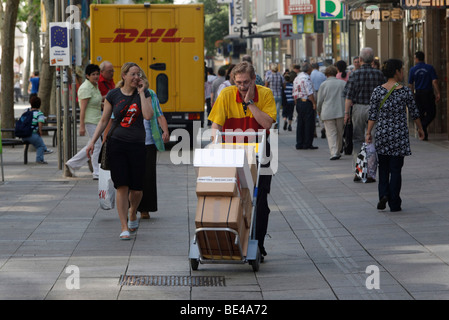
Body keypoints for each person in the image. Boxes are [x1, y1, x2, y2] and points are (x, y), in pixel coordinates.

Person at [208, 61, 276, 261]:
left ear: (254, 79)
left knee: (260, 200)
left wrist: (250, 103)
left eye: (246, 82)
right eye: (238, 83)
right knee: (233, 196)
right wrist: (216, 146)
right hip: (233, 152)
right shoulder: (227, 94)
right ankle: (231, 241)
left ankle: (258, 245)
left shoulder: (264, 94)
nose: (242, 86)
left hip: (261, 152)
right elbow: (215, 125)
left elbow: (267, 123)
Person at [86, 62, 153, 240]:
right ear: (124, 76)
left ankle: (133, 212)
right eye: (132, 74)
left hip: (138, 145)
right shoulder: (113, 95)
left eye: (138, 74)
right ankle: (124, 226)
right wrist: (92, 142)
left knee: (137, 189)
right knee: (122, 186)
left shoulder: (144, 94)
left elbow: (148, 115)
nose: (136, 77)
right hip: (117, 144)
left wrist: (141, 92)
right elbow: (103, 121)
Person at [366, 59, 424, 212]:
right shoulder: (404, 91)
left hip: (383, 135)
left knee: (383, 168)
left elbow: (372, 115)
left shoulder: (378, 91)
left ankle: (383, 195)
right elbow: (414, 112)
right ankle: (394, 203)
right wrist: (420, 129)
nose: (403, 72)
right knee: (396, 169)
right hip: (399, 136)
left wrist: (368, 133)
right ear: (396, 72)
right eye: (401, 70)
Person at [343, 47, 385, 182]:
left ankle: (359, 171)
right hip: (374, 108)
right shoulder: (379, 74)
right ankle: (372, 173)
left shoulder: (354, 75)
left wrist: (346, 113)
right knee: (372, 140)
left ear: (360, 60)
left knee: (358, 140)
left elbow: (349, 96)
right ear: (373, 60)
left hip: (359, 109)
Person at [137, 73, 170, 220]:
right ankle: (130, 207)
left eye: (140, 77)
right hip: (130, 141)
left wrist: (165, 130)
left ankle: (145, 208)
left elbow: (159, 114)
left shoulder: (151, 94)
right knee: (131, 176)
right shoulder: (124, 94)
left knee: (148, 176)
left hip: (149, 141)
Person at [65, 64, 103, 180]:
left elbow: (96, 103)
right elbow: (83, 108)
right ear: (87, 75)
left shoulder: (94, 86)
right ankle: (96, 172)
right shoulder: (86, 88)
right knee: (97, 145)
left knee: (90, 145)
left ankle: (72, 164)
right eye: (93, 74)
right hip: (90, 121)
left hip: (97, 120)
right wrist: (81, 126)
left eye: (97, 74)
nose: (96, 76)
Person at [408, 51, 440, 141]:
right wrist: (438, 92)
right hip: (428, 93)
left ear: (417, 59)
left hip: (418, 94)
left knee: (421, 114)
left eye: (414, 58)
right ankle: (423, 133)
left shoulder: (413, 69)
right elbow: (434, 81)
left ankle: (422, 130)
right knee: (432, 113)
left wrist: (411, 95)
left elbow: (410, 84)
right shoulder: (429, 68)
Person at [316, 66, 346, 160]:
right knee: (340, 132)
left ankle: (334, 152)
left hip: (327, 111)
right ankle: (339, 149)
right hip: (340, 111)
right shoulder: (343, 83)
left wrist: (318, 110)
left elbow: (320, 100)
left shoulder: (323, 84)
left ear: (326, 74)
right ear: (335, 73)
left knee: (331, 133)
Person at [293, 62, 318, 150]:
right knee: (309, 123)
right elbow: (309, 92)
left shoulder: (297, 78)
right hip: (307, 102)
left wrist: (296, 102)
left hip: (299, 102)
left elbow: (294, 91)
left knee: (300, 123)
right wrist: (314, 103)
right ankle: (307, 143)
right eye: (311, 68)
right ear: (308, 69)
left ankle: (299, 143)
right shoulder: (306, 78)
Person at [21, 96, 53, 164]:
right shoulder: (39, 113)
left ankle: (45, 149)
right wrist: (40, 131)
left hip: (23, 134)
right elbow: (40, 122)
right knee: (39, 145)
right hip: (32, 134)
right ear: (39, 105)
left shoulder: (25, 111)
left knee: (39, 142)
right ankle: (40, 159)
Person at [265, 63, 284, 129]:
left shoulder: (269, 76)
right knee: (277, 112)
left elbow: (266, 87)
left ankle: (273, 124)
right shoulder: (280, 76)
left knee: (271, 112)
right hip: (279, 96)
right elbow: (284, 85)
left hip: (271, 96)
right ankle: (277, 127)